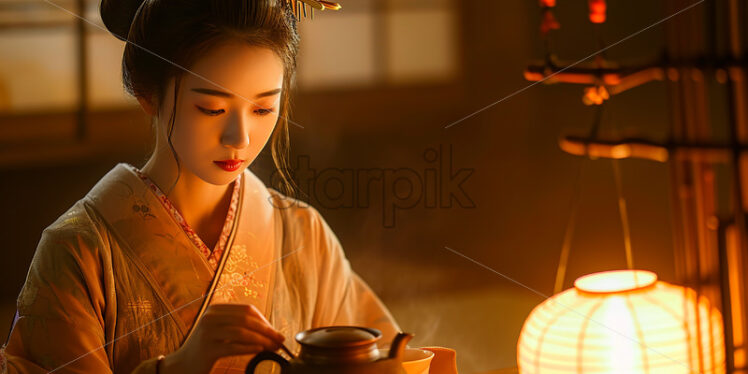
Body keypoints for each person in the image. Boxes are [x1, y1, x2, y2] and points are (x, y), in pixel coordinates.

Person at [0, 0, 401, 373]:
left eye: (264, 108)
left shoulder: (304, 236)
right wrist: (177, 367)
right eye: (212, 108)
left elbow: (387, 357)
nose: (239, 137)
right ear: (148, 92)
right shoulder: (76, 252)